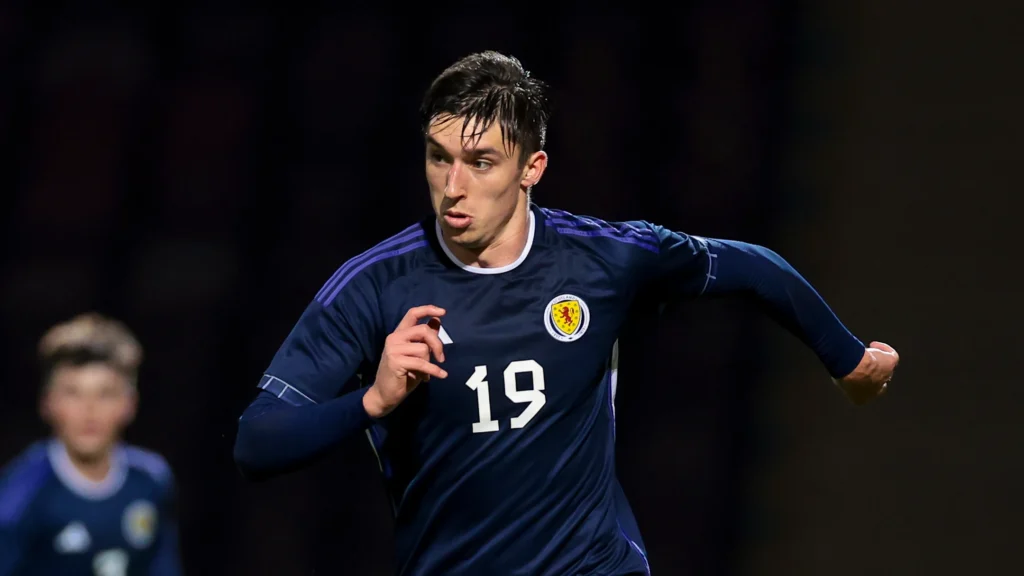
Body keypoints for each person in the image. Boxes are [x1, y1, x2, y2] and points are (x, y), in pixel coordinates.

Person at [233, 51, 899, 575]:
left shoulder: (601, 260)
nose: (453, 186)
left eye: (481, 162)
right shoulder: (375, 285)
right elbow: (256, 444)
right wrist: (372, 402)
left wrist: (848, 360)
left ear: (532, 168)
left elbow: (753, 266)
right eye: (439, 158)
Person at [0, 313, 183, 576]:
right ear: (48, 404)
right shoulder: (20, 495)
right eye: (73, 393)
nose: (89, 410)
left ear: (129, 404)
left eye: (105, 393)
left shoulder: (151, 480)